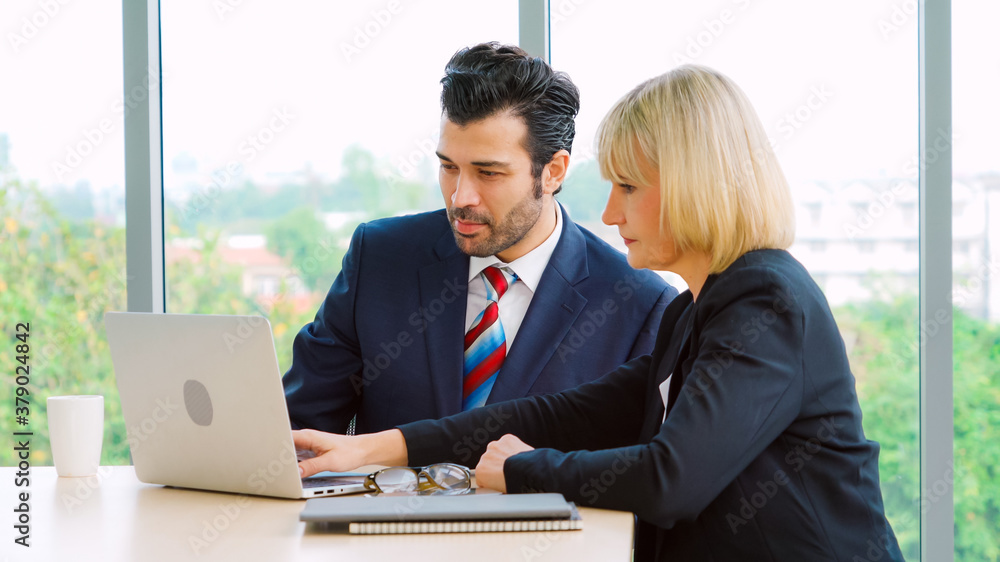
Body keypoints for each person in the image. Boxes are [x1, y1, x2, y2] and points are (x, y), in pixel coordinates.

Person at [292, 65, 903, 561]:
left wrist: (526, 471)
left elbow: (672, 480)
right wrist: (379, 449)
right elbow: (564, 414)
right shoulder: (693, 314)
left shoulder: (766, 303)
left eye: (629, 188)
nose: (609, 214)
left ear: (695, 184)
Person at [283, 42, 677, 435]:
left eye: (488, 173)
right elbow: (294, 428)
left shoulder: (640, 306)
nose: (460, 198)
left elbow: (640, 476)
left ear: (553, 172)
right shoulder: (380, 260)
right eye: (449, 167)